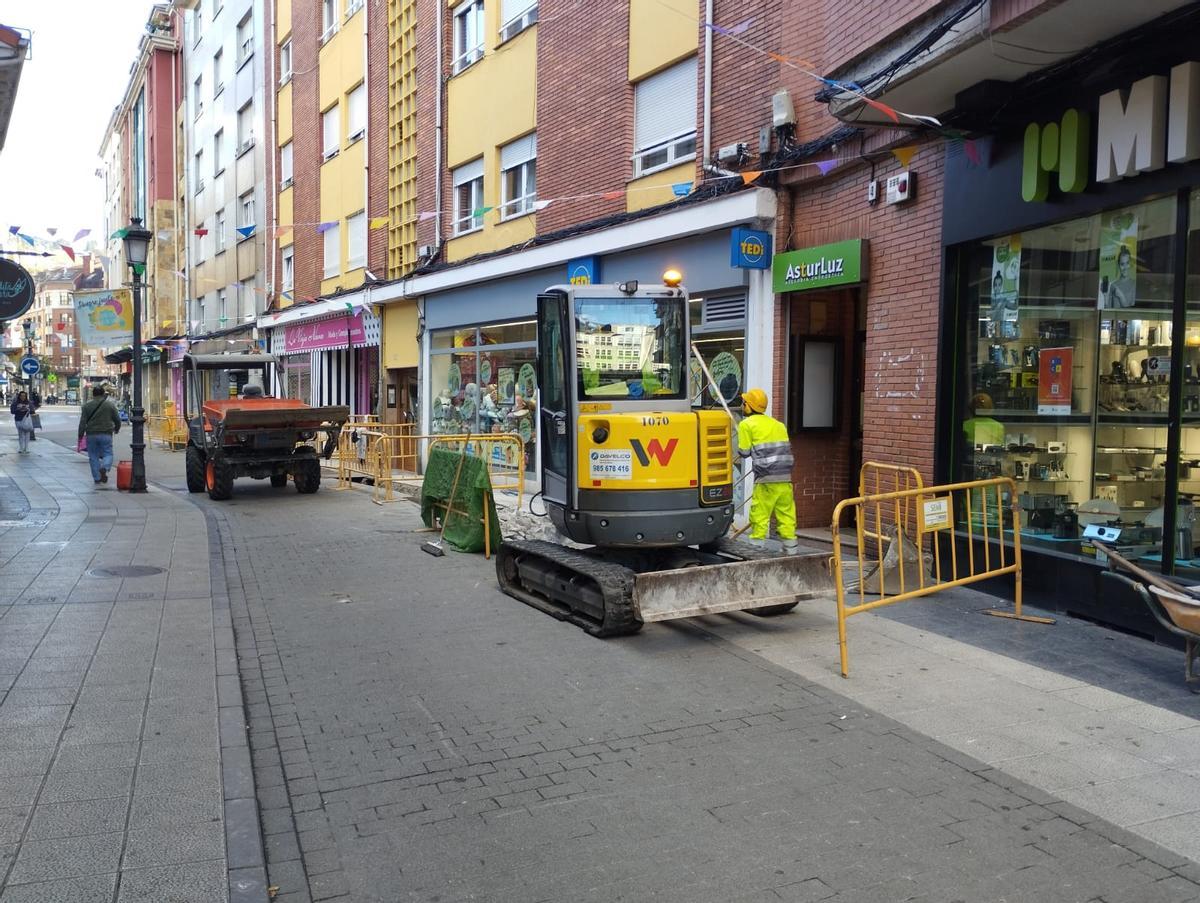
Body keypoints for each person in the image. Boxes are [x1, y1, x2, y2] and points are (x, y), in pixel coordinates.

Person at [737, 388, 798, 555]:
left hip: (765, 479)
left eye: (744, 403)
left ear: (749, 406)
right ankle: (791, 550)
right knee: (786, 514)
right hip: (785, 478)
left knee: (760, 515)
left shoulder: (746, 425)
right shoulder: (779, 425)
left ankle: (755, 551)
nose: (742, 406)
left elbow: (744, 452)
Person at [77, 387, 122, 485]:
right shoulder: (110, 405)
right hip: (106, 434)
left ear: (93, 394)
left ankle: (97, 478)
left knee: (93, 456)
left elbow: (82, 423)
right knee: (108, 453)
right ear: (103, 394)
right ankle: (104, 467)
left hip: (91, 434)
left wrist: (80, 436)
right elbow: (117, 419)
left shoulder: (86, 406)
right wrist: (117, 428)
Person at [10, 390, 34, 454]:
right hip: (18, 420)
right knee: (21, 434)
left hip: (27, 420)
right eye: (21, 396)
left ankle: (26, 448)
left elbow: (33, 411)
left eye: (24, 396)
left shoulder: (28, 402)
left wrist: (28, 409)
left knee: (27, 434)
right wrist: (18, 409)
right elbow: (12, 411)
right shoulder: (15, 403)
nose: (23, 397)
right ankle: (21, 448)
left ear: (26, 396)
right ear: (19, 396)